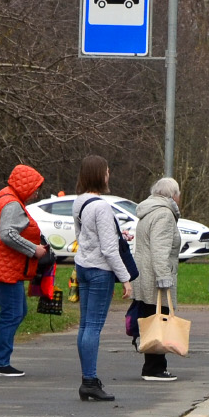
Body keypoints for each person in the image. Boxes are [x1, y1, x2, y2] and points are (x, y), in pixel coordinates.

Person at [0, 164, 47, 377]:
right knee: (13, 313)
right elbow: (7, 234)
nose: (36, 193)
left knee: (17, 311)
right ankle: (1, 364)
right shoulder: (12, 204)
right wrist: (35, 250)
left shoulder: (3, 195)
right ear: (26, 185)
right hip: (4, 268)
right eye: (35, 188)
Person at [73, 155, 132, 402]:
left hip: (83, 267)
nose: (109, 175)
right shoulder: (102, 206)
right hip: (99, 271)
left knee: (85, 325)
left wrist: (119, 234)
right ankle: (89, 380)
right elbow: (109, 249)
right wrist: (126, 278)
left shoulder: (79, 202)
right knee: (94, 328)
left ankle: (88, 379)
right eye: (107, 171)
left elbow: (82, 235)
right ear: (100, 175)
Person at [128, 178, 182, 382]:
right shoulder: (164, 214)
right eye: (178, 193)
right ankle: (155, 368)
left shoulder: (148, 211)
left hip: (144, 273)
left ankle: (152, 365)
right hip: (155, 276)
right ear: (172, 195)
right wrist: (164, 277)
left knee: (151, 318)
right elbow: (160, 249)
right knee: (160, 320)